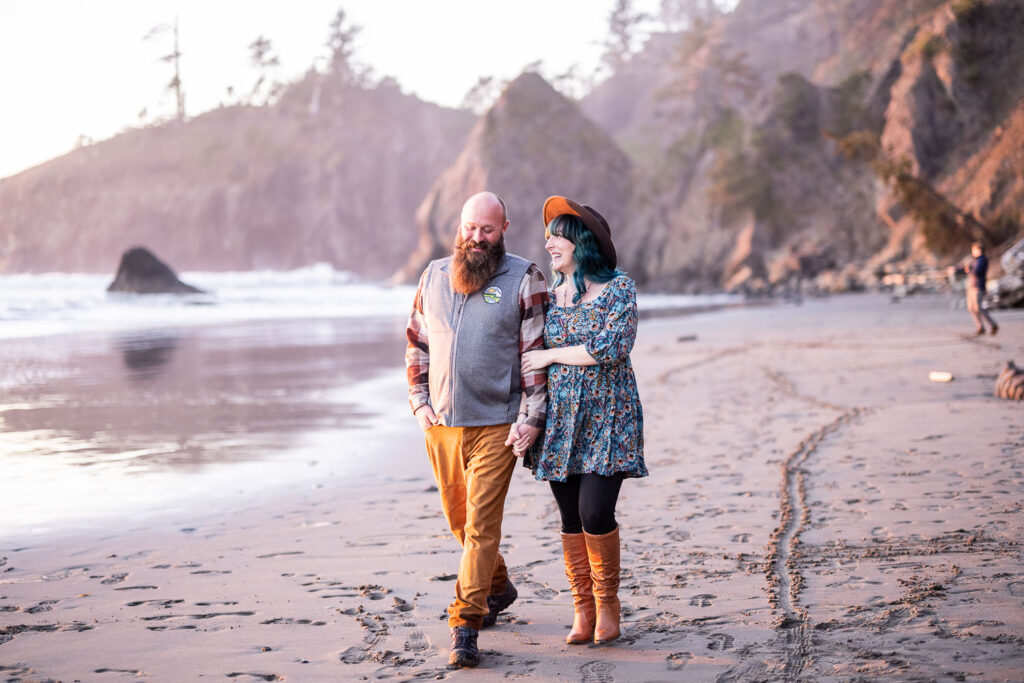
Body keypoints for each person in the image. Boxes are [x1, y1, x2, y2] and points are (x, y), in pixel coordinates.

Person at [404, 191, 549, 668]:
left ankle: (465, 624)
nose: (477, 238)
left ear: (504, 227)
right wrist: (419, 403)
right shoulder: (434, 275)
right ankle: (499, 586)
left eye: (487, 229)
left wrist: (530, 417)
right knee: (461, 524)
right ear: (459, 225)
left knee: (482, 527)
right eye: (470, 228)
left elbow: (533, 357)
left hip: (497, 425)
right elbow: (417, 342)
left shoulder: (524, 278)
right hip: (442, 425)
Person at [522, 196, 646, 645]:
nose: (549, 242)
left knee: (596, 511)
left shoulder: (619, 290)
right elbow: (525, 363)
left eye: (557, 235)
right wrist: (525, 419)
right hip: (559, 421)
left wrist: (551, 354)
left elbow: (612, 347)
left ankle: (608, 602)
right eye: (549, 235)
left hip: (609, 418)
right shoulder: (547, 298)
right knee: (570, 516)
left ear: (581, 240)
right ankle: (583, 607)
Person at [964, 241, 998, 335]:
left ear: (978, 250)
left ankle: (992, 324)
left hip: (978, 287)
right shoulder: (976, 260)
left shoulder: (982, 260)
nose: (972, 252)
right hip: (972, 287)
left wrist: (969, 271)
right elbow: (967, 269)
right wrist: (956, 269)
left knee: (979, 308)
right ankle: (980, 327)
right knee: (971, 308)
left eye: (973, 250)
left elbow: (976, 272)